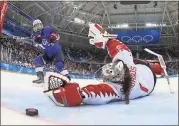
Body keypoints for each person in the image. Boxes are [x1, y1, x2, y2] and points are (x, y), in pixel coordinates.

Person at [42, 23, 164, 106]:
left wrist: (76, 94)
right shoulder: (126, 72)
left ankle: (158, 69)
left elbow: (97, 92)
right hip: (146, 74)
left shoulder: (118, 90)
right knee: (150, 66)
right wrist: (106, 39)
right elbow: (122, 50)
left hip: (147, 79)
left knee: (147, 65)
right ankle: (158, 69)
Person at [31, 19, 70, 84]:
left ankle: (67, 78)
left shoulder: (47, 29)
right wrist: (36, 39)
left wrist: (53, 37)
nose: (38, 26)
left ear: (41, 25)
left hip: (56, 52)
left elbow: (57, 34)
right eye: (36, 25)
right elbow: (35, 39)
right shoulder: (35, 34)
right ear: (34, 27)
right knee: (37, 61)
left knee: (59, 65)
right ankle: (40, 78)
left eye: (39, 25)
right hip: (48, 55)